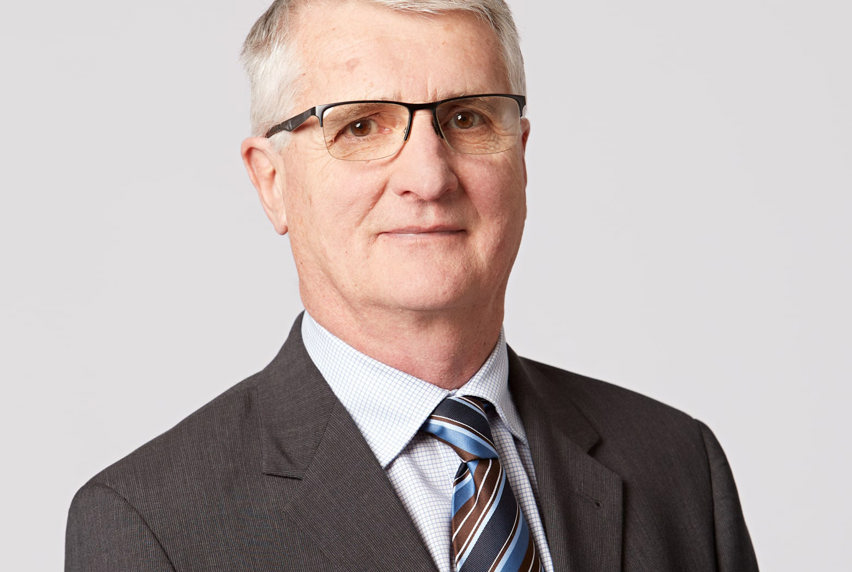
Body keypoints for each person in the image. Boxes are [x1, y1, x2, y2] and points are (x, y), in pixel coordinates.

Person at [65, 0, 759, 570]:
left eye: (466, 119)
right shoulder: (152, 526)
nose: (428, 178)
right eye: (361, 126)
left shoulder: (676, 464)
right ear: (271, 182)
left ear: (520, 157)